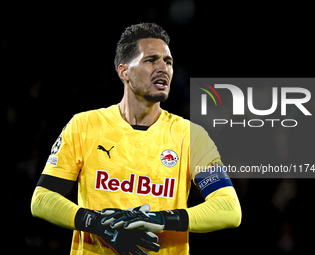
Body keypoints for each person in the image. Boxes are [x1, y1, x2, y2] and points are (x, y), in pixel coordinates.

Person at [31, 23, 241, 255]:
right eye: (151, 60)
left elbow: (229, 209)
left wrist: (161, 219)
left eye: (168, 62)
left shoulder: (191, 136)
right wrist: (98, 224)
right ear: (124, 72)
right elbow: (42, 199)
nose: (164, 68)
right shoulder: (84, 126)